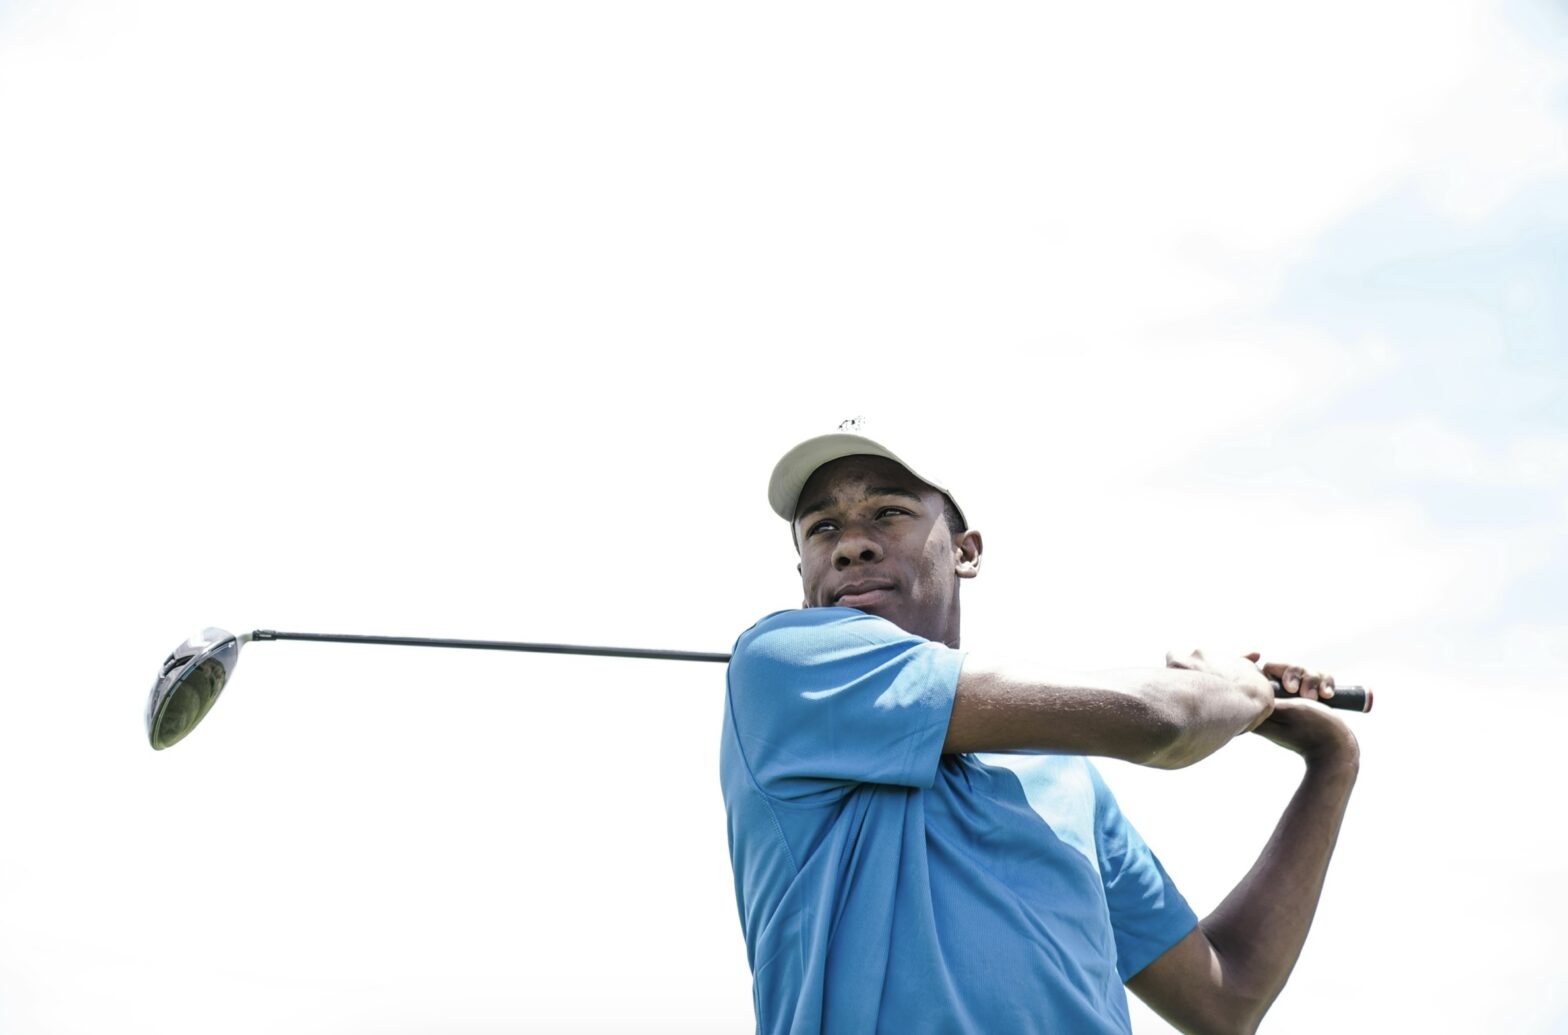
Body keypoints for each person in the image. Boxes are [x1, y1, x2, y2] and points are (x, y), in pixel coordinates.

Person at [720, 424, 1360, 1035]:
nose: (850, 544)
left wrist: (1331, 762)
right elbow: (1163, 722)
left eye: (889, 512)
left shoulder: (1062, 774)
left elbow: (1227, 1001)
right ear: (803, 577)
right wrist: (1228, 688)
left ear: (966, 551)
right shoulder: (783, 665)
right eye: (822, 527)